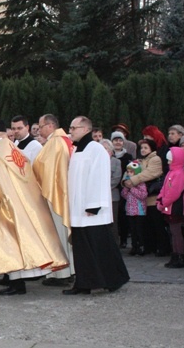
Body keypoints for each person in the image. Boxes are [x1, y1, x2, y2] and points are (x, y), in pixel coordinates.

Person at [0, 118, 69, 296]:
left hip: (6, 205)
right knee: (22, 242)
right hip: (25, 204)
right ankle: (16, 281)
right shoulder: (17, 150)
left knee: (11, 244)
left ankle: (17, 284)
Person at [64, 116, 129, 295]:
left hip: (92, 210)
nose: (71, 131)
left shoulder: (96, 150)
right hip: (78, 209)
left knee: (100, 247)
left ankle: (114, 279)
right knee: (83, 249)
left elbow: (99, 178)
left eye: (73, 127)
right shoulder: (77, 150)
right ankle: (84, 283)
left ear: (85, 129)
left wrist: (94, 205)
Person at [33, 114, 75, 287]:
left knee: (58, 234)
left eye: (41, 126)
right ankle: (69, 270)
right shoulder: (64, 140)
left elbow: (46, 170)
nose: (39, 129)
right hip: (62, 193)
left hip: (54, 195)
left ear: (50, 126)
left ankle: (62, 273)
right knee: (62, 235)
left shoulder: (55, 143)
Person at [125, 139, 167, 256]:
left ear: (152, 149)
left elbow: (149, 173)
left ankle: (162, 247)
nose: (143, 150)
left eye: (146, 148)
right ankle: (149, 246)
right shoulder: (140, 160)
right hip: (143, 198)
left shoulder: (155, 159)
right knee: (147, 225)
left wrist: (132, 180)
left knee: (157, 223)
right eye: (142, 148)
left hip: (153, 196)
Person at [157, 147, 184, 268]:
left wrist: (162, 202)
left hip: (175, 207)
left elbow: (174, 193)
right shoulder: (172, 172)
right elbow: (165, 189)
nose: (168, 162)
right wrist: (160, 199)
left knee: (176, 232)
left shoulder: (178, 174)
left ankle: (179, 256)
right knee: (173, 232)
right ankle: (175, 255)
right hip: (170, 206)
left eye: (170, 159)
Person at [111, 131, 133, 248]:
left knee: (123, 215)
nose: (118, 142)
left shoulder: (128, 157)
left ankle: (123, 239)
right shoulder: (109, 155)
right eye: (115, 140)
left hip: (123, 188)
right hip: (113, 190)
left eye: (120, 140)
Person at [121, 162, 148, 256]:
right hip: (130, 210)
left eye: (131, 172)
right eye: (128, 171)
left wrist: (132, 188)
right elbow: (124, 195)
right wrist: (126, 188)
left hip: (139, 210)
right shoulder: (127, 183)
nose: (129, 173)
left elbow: (143, 195)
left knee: (139, 230)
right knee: (132, 230)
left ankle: (141, 246)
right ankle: (134, 246)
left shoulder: (140, 183)